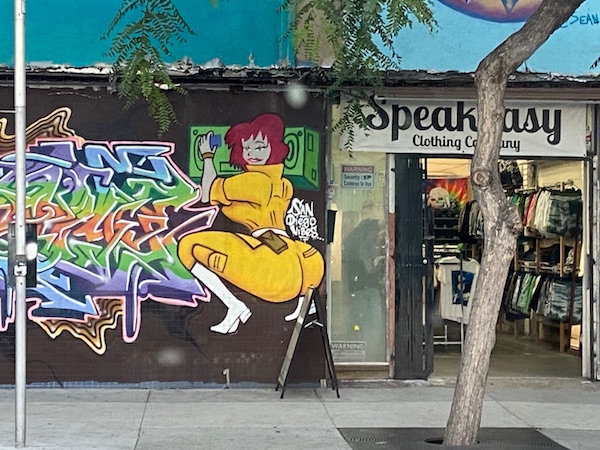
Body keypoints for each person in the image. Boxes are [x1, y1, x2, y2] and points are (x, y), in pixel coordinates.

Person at [178, 113, 324, 334]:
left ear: (273, 148)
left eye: (259, 147)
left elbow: (208, 192)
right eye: (247, 148)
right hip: (297, 263)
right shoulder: (283, 184)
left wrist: (207, 156)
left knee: (187, 246)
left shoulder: (254, 181)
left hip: (273, 270)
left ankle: (233, 304)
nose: (252, 154)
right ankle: (305, 305)